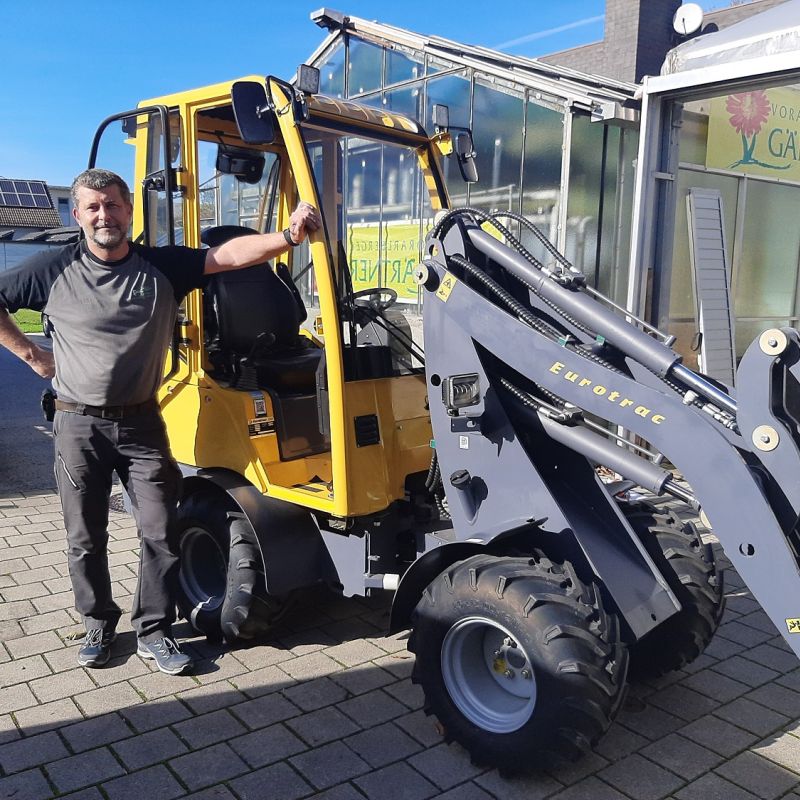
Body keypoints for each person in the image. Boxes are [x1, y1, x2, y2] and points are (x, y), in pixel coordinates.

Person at [0, 168, 321, 675]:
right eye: (93, 207)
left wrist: (287, 236)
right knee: (85, 536)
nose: (104, 215)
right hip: (77, 425)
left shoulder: (160, 266)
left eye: (113, 204)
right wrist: (31, 355)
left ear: (129, 211)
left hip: (143, 424)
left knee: (161, 529)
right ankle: (98, 623)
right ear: (78, 214)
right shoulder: (53, 268)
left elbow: (227, 256)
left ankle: (153, 629)